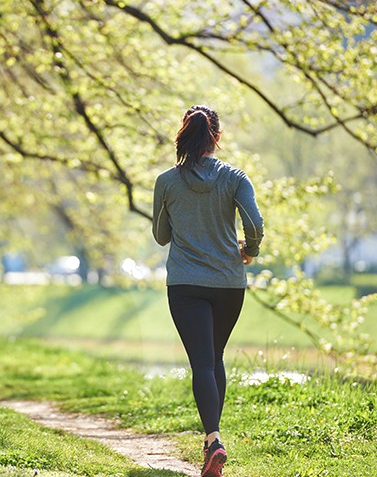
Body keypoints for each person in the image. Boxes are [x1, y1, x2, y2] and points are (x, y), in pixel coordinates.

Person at [152, 105, 263, 477]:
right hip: (229, 283)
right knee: (214, 357)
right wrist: (249, 250)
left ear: (184, 135)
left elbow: (161, 236)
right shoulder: (234, 178)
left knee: (202, 360)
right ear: (217, 137)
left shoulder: (167, 181)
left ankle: (213, 439)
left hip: (185, 283)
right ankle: (210, 444)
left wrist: (179, 213)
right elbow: (255, 223)